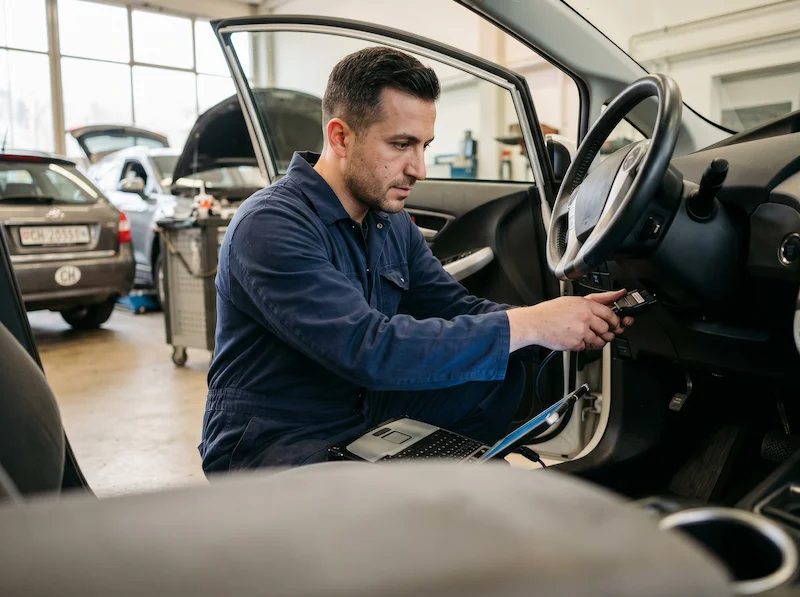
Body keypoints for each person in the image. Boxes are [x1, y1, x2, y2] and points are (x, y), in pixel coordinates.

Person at [199, 46, 632, 473]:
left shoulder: (390, 221)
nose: (419, 168)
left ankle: (435, 482)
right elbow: (367, 347)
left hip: (362, 403)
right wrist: (532, 325)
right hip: (278, 431)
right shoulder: (271, 224)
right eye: (401, 145)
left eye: (424, 145)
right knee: (389, 517)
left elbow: (457, 308)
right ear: (340, 137)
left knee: (496, 374)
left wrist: (560, 323)